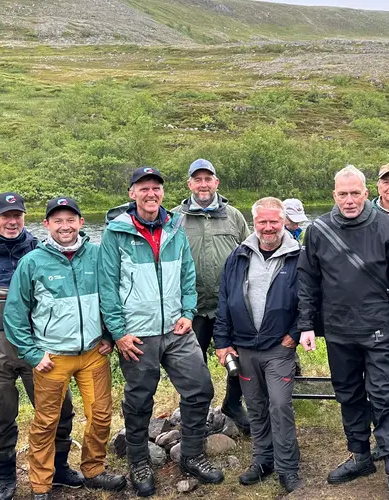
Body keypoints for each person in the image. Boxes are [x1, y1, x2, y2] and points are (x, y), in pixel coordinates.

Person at [99, 167, 223, 496]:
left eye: (156, 188)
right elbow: (107, 287)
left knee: (200, 389)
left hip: (177, 329)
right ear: (132, 193)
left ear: (162, 193)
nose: (151, 193)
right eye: (144, 188)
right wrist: (118, 332)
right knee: (139, 400)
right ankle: (139, 460)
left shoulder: (174, 227)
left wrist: (187, 312)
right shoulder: (115, 233)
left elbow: (187, 274)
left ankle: (192, 454)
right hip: (137, 334)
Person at [298, 165, 389, 500]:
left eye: (355, 193)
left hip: (378, 328)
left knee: (385, 396)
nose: (349, 200)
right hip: (338, 330)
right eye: (343, 194)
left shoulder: (386, 225)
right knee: (348, 395)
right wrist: (306, 324)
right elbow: (307, 281)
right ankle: (360, 455)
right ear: (333, 195)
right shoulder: (318, 230)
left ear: (366, 193)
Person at [0, 192, 81, 500]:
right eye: (5, 216)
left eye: (17, 215)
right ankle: (5, 480)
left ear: (25, 217)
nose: (12, 221)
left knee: (60, 411)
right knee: (0, 420)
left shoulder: (42, 252)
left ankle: (59, 468)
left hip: (39, 351)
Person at [3, 197, 127, 499]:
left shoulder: (97, 255)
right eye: (57, 220)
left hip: (93, 354)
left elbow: (112, 296)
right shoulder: (32, 262)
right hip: (52, 357)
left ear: (81, 223)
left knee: (100, 415)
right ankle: (41, 485)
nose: (65, 226)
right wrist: (33, 354)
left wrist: (109, 336)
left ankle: (93, 470)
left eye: (71, 219)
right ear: (46, 224)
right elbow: (15, 314)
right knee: (47, 422)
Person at [214, 197, 304, 493]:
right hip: (244, 347)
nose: (268, 227)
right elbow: (224, 301)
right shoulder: (238, 256)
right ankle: (263, 460)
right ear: (254, 223)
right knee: (255, 407)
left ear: (283, 222)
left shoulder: (298, 256)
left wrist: (294, 334)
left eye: (273, 221)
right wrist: (222, 342)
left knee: (279, 405)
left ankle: (288, 467)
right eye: (262, 222)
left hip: (279, 347)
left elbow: (310, 300)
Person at [173, 158, 252, 434]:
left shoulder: (234, 216)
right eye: (198, 179)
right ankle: (196, 412)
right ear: (189, 184)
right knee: (191, 364)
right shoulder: (174, 218)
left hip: (229, 305)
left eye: (208, 179)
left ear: (216, 182)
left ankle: (233, 404)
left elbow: (249, 256)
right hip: (191, 307)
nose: (203, 184)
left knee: (241, 357)